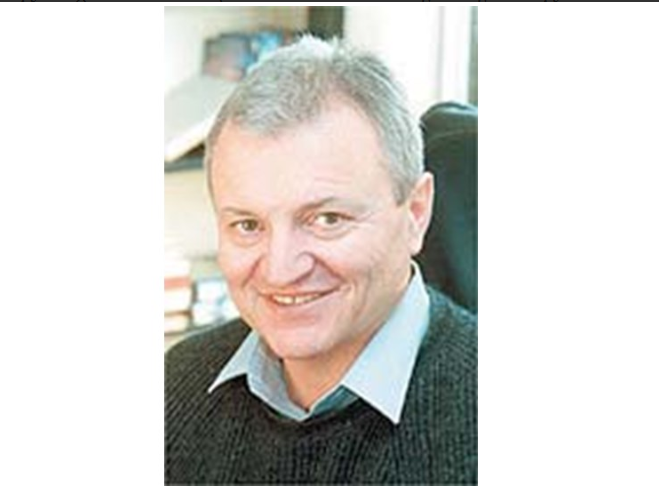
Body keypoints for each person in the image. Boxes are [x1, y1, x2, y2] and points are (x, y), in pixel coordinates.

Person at [165, 35, 477, 485]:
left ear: (415, 212)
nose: (280, 270)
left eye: (326, 219)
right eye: (248, 225)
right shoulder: (177, 387)